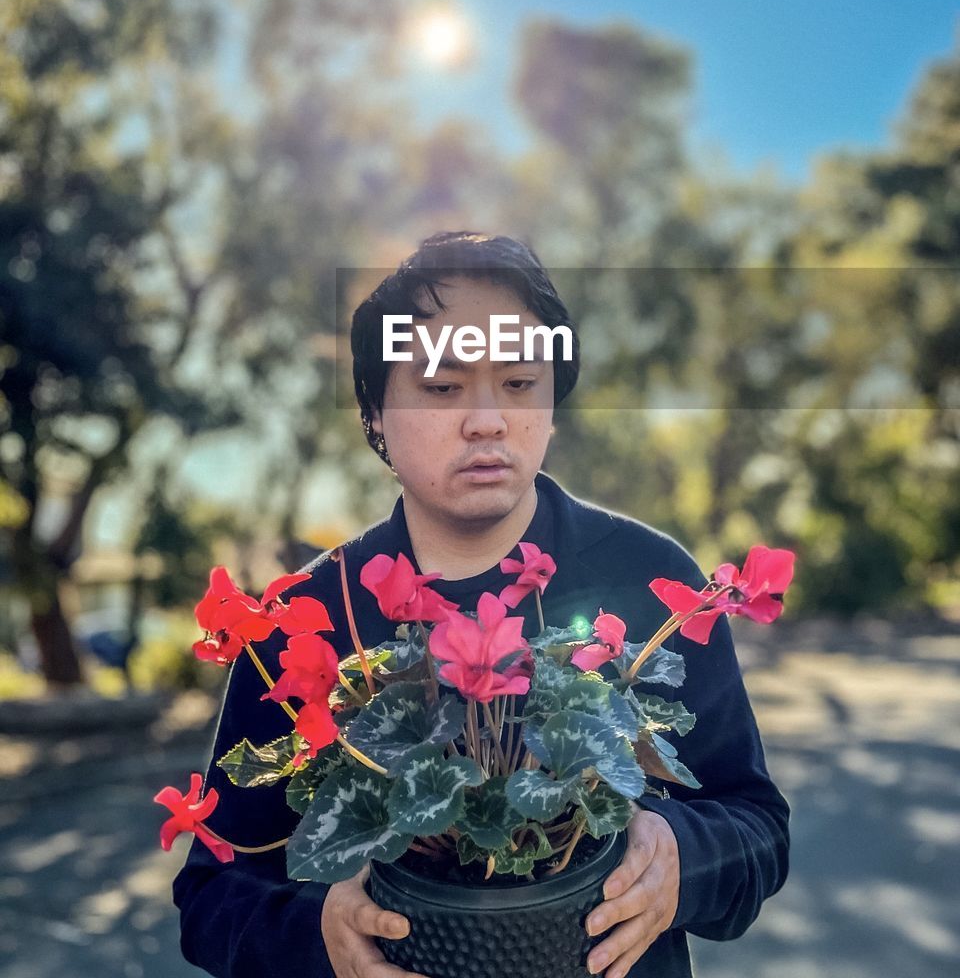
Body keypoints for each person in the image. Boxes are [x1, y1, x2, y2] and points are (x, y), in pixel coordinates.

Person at [172, 230, 790, 978]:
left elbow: (759, 828)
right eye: (441, 387)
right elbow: (209, 893)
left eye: (520, 383)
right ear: (376, 410)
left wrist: (679, 861)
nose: (487, 420)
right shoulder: (302, 619)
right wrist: (318, 936)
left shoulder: (650, 580)